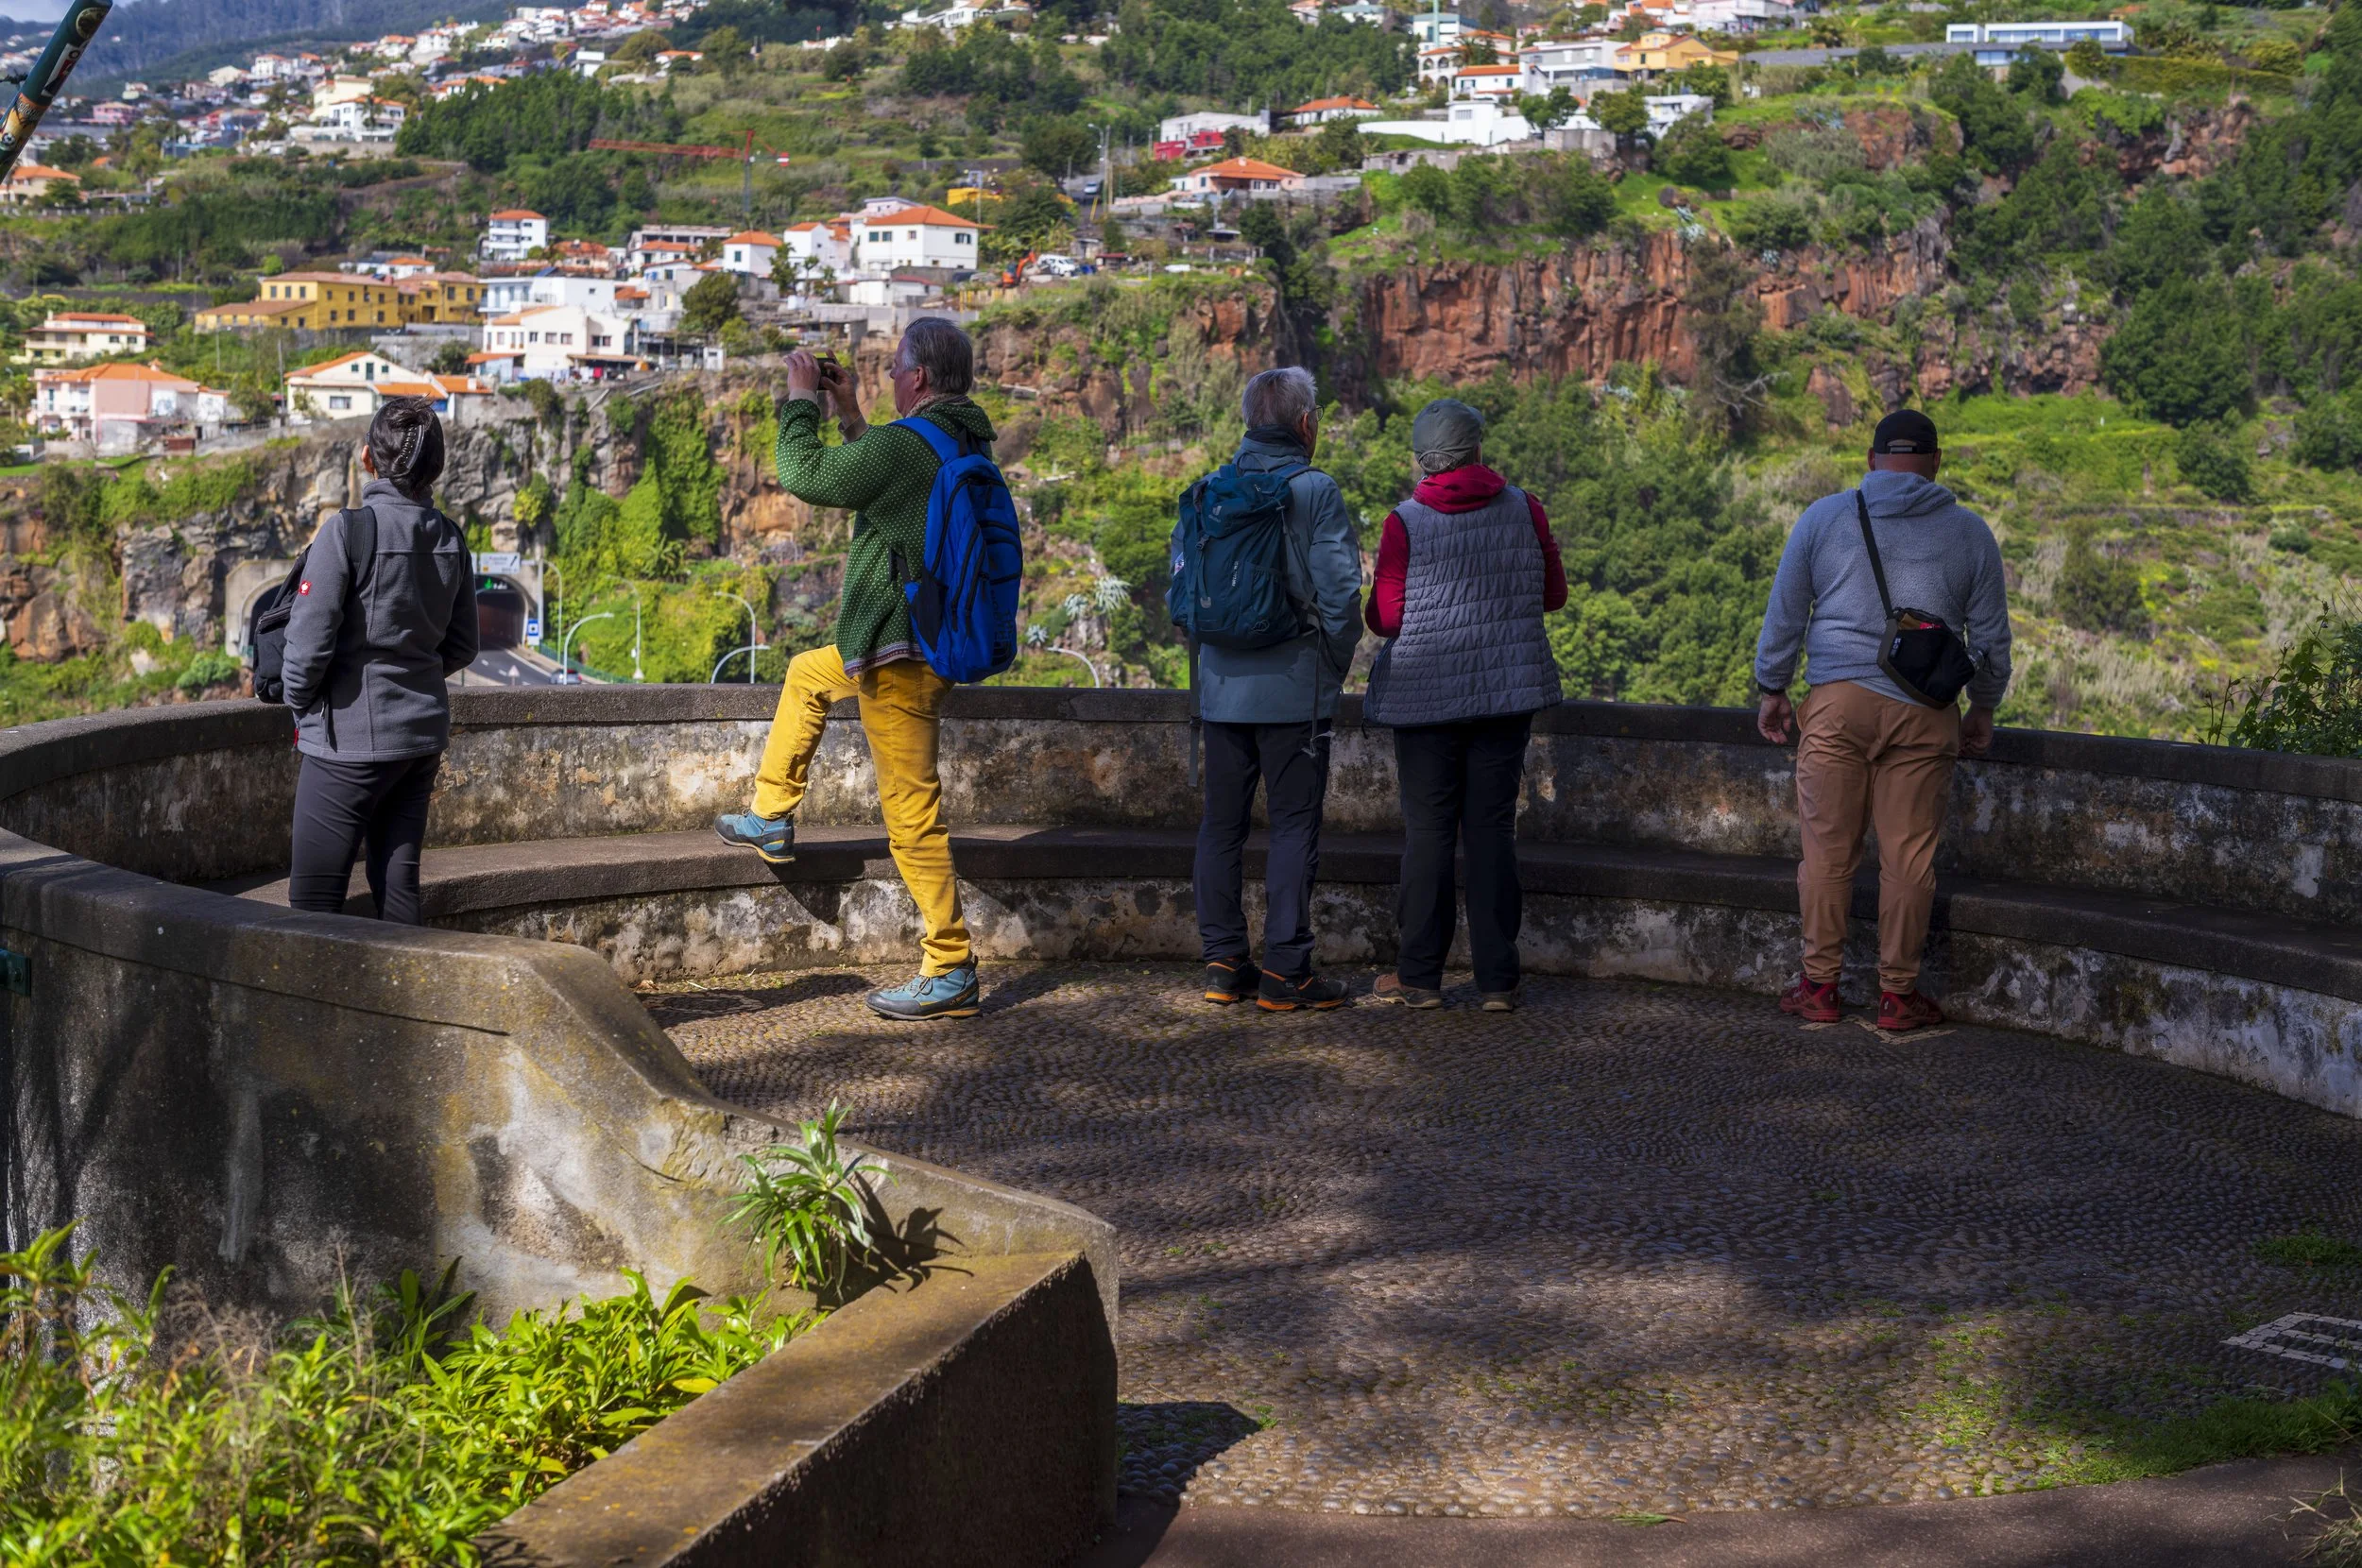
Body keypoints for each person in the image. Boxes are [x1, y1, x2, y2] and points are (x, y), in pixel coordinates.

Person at [713, 318, 991, 1021]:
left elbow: (806, 477)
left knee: (912, 819)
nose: (890, 373)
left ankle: (951, 964)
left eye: (896, 365)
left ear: (920, 377)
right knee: (809, 673)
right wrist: (852, 414)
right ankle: (771, 813)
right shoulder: (959, 436)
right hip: (919, 635)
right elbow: (890, 489)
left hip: (899, 654)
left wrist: (802, 400)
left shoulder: (909, 446)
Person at [1753, 407, 2012, 1032]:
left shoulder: (1824, 517)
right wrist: (1983, 706)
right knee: (1908, 859)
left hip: (1837, 705)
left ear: (1870, 461)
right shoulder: (1971, 532)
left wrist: (1772, 686)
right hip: (1925, 713)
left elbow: (1785, 613)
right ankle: (1897, 996)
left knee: (1827, 853)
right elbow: (1992, 641)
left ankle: (1819, 987)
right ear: (1936, 464)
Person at [1363, 399, 1566, 1012]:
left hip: (1426, 700)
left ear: (1423, 461)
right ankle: (1498, 980)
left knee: (1428, 835)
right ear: (1478, 450)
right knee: (1491, 832)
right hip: (1505, 697)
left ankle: (1420, 977)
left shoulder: (1404, 522)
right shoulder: (1525, 507)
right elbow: (1552, 595)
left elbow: (1388, 617)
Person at [1192, 366, 1364, 1012]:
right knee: (1293, 828)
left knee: (1221, 826)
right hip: (1294, 690)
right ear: (1305, 423)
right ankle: (1287, 971)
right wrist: (1333, 663)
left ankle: (1222, 960)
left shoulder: (1213, 486)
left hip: (1220, 687)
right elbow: (1342, 595)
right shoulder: (1315, 490)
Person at [282, 396, 477, 924]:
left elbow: (306, 647)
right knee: (397, 891)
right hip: (417, 739)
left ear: (368, 458)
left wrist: (304, 708)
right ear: (434, 468)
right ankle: (406, 1004)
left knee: (313, 908)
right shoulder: (451, 540)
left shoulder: (347, 531)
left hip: (347, 744)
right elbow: (463, 646)